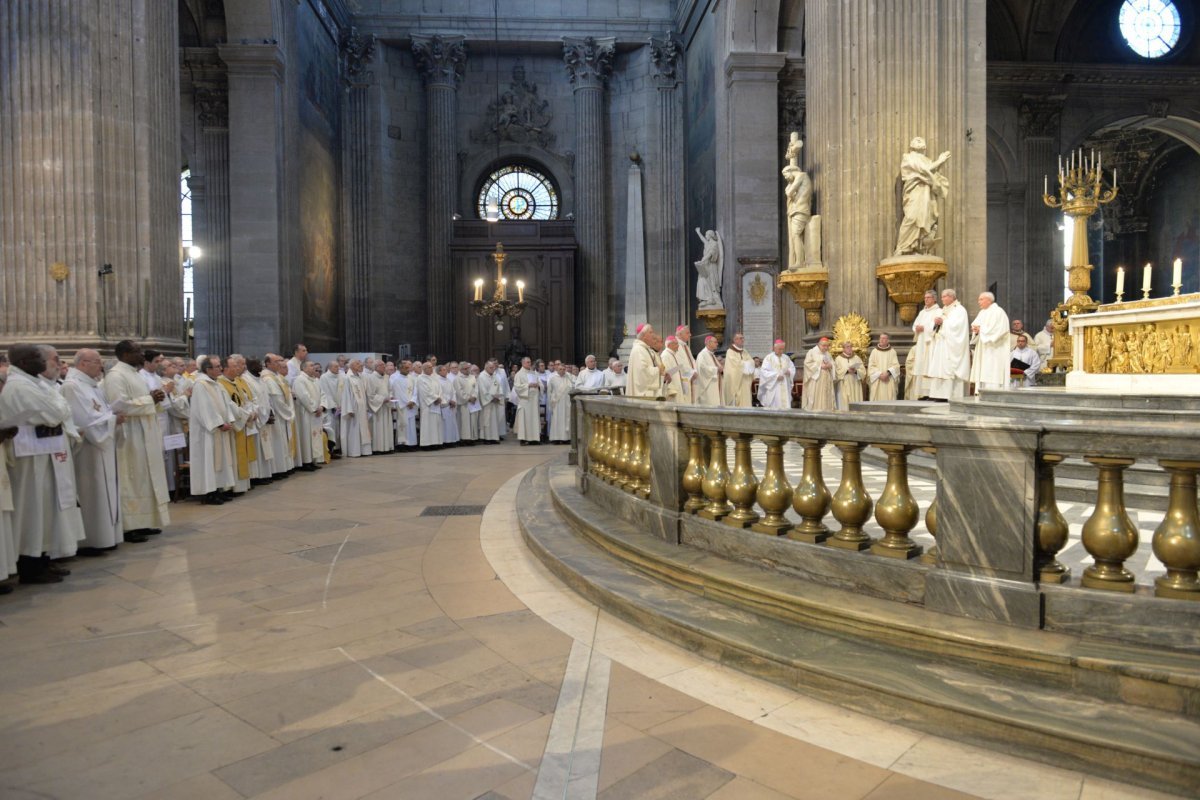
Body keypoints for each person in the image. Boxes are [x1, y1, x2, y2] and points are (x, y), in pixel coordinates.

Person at [2, 345, 83, 582]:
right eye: (38, 357)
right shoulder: (20, 385)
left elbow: (61, 409)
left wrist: (60, 410)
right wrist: (60, 410)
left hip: (44, 453)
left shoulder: (35, 382)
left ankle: (42, 557)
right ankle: (30, 564)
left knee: (46, 508)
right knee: (33, 510)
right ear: (24, 361)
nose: (44, 361)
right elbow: (54, 412)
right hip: (30, 460)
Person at [103, 340, 170, 541]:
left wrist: (154, 398)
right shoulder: (116, 376)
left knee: (145, 478)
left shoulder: (133, 374)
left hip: (144, 433)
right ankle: (131, 526)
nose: (141, 354)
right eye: (136, 351)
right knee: (132, 478)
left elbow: (144, 401)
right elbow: (119, 406)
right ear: (124, 354)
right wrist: (151, 400)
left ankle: (144, 522)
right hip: (130, 436)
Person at [61, 350, 123, 554]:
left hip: (102, 445)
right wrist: (113, 420)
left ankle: (106, 536)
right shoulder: (72, 386)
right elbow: (83, 421)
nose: (101, 366)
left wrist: (112, 418)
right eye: (97, 362)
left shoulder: (91, 384)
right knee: (92, 492)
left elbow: (100, 413)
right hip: (88, 449)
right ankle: (91, 540)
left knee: (103, 490)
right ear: (83, 363)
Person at [189, 355, 236, 505]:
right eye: (217, 367)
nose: (220, 369)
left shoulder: (217, 384)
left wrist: (229, 419)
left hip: (220, 429)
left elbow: (226, 404)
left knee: (220, 460)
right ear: (208, 369)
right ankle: (209, 493)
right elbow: (204, 409)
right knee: (209, 462)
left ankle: (219, 489)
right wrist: (219, 424)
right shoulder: (201, 385)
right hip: (208, 432)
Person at [893, 137, 951, 256]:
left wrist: (939, 164)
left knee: (925, 219)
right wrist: (940, 160)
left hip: (926, 194)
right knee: (912, 217)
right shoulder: (908, 157)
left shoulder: (927, 160)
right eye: (917, 140)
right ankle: (902, 247)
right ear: (911, 144)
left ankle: (919, 247)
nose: (920, 141)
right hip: (914, 191)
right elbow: (923, 171)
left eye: (922, 140)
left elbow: (932, 173)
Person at [217, 355, 257, 495]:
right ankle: (233, 487)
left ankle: (242, 485)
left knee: (241, 454)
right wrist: (246, 415)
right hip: (233, 425)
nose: (238, 368)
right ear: (226, 368)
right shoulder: (221, 384)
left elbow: (246, 400)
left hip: (242, 422)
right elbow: (230, 405)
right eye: (234, 366)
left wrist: (251, 412)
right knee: (232, 457)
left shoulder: (236, 382)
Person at [924, 288, 970, 401]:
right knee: (938, 368)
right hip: (940, 344)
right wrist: (935, 323)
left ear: (952, 297)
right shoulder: (942, 310)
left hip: (951, 345)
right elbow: (933, 326)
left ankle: (948, 395)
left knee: (948, 369)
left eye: (945, 296)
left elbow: (957, 327)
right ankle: (937, 394)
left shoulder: (959, 310)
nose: (942, 299)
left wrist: (943, 322)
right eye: (942, 296)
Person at [970, 291, 1011, 392]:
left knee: (993, 369)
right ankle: (981, 392)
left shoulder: (998, 312)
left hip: (995, 348)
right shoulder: (982, 312)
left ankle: (994, 393)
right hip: (983, 347)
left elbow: (1000, 330)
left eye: (981, 299)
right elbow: (976, 325)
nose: (978, 302)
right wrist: (975, 330)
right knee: (983, 369)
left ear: (989, 300)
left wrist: (981, 330)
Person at [294, 360, 327, 468]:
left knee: (315, 436)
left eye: (314, 365)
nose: (314, 368)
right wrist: (314, 408)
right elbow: (304, 396)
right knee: (307, 436)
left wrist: (322, 406)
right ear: (303, 368)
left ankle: (313, 460)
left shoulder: (316, 380)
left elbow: (323, 394)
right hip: (306, 414)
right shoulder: (300, 380)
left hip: (316, 414)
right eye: (311, 366)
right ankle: (306, 461)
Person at [911, 289, 940, 400]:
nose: (926, 299)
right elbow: (915, 325)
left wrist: (924, 328)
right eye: (925, 298)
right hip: (921, 343)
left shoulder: (938, 311)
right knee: (921, 366)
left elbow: (936, 327)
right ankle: (923, 393)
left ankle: (931, 393)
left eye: (928, 297)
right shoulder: (922, 312)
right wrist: (917, 328)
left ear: (934, 299)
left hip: (930, 343)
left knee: (929, 366)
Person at [338, 358, 371, 457]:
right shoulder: (347, 378)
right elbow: (345, 395)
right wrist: (349, 409)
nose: (360, 365)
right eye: (357, 363)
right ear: (351, 366)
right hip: (353, 408)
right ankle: (354, 451)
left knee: (363, 429)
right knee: (354, 430)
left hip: (361, 408)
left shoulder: (360, 377)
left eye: (360, 363)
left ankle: (364, 451)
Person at [627, 324, 665, 399]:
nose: (653, 335)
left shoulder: (644, 349)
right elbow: (642, 373)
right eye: (650, 332)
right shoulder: (638, 350)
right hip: (643, 394)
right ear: (644, 336)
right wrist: (658, 370)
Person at [756, 340, 795, 409]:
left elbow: (792, 368)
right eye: (779, 349)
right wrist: (776, 376)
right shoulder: (768, 358)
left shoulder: (786, 358)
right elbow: (764, 372)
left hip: (785, 385)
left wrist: (789, 372)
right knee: (774, 406)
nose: (781, 351)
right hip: (774, 386)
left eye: (783, 349)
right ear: (774, 348)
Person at [366, 361, 394, 454]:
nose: (384, 367)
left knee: (387, 427)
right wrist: (382, 399)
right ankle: (378, 449)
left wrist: (390, 397)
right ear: (376, 367)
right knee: (378, 428)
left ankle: (387, 447)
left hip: (386, 406)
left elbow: (390, 390)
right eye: (382, 366)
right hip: (377, 408)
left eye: (384, 365)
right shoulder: (371, 378)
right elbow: (370, 395)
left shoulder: (386, 377)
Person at [416, 362, 445, 449]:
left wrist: (439, 398)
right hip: (427, 405)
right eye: (429, 367)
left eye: (431, 367)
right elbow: (425, 392)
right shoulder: (420, 378)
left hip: (436, 405)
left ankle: (436, 443)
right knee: (428, 424)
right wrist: (435, 398)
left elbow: (440, 389)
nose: (431, 369)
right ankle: (427, 444)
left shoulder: (434, 378)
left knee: (436, 424)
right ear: (424, 369)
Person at [390, 360, 418, 450]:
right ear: (400, 368)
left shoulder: (412, 378)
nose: (408, 369)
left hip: (411, 405)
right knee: (403, 425)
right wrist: (408, 403)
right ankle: (403, 445)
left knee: (411, 426)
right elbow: (398, 394)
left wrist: (413, 401)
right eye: (406, 368)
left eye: (408, 367)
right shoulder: (396, 380)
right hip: (403, 407)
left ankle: (412, 444)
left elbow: (415, 391)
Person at [513, 357, 542, 445]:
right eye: (528, 362)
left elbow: (541, 384)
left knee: (534, 419)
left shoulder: (534, 373)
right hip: (525, 400)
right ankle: (523, 439)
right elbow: (517, 387)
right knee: (524, 420)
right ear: (523, 363)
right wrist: (528, 385)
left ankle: (534, 439)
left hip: (534, 400)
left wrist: (538, 385)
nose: (529, 364)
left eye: (530, 362)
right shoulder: (519, 374)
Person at [802, 338, 836, 411]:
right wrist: (820, 366)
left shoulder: (828, 354)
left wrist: (831, 365)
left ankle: (828, 411)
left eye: (827, 346)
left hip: (827, 379)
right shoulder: (812, 352)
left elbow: (833, 363)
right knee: (817, 398)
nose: (826, 348)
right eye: (824, 346)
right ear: (818, 344)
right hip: (817, 380)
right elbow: (807, 364)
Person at [722, 332, 754, 407]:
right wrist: (746, 364)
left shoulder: (744, 351)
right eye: (740, 338)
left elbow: (751, 361)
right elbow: (734, 366)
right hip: (736, 381)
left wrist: (747, 364)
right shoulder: (730, 352)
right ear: (735, 340)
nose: (743, 340)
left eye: (743, 338)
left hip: (745, 380)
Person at [867, 334, 900, 401]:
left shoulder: (892, 351)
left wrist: (888, 373)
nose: (882, 340)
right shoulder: (874, 352)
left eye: (884, 338)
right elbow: (871, 366)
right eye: (881, 338)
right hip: (877, 380)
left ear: (888, 340)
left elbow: (896, 366)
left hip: (889, 379)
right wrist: (879, 374)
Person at [477, 361, 504, 443]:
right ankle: (486, 438)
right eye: (491, 368)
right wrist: (491, 398)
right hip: (487, 404)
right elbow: (482, 391)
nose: (493, 369)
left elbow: (499, 387)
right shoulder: (481, 377)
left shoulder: (495, 376)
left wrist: (499, 397)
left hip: (494, 402)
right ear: (486, 367)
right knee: (486, 420)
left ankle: (493, 437)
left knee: (494, 421)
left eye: (494, 368)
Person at [319, 360, 342, 456]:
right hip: (330, 408)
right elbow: (326, 393)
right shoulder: (324, 377)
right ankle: (330, 450)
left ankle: (337, 448)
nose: (338, 368)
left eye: (338, 366)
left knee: (338, 428)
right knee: (331, 428)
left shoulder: (341, 376)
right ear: (330, 368)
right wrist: (333, 406)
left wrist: (341, 405)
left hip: (339, 407)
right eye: (336, 366)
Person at [834, 341, 865, 411]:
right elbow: (836, 372)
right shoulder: (838, 359)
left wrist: (856, 371)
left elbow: (863, 371)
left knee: (855, 402)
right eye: (847, 347)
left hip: (855, 384)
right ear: (843, 349)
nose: (850, 348)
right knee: (845, 403)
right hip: (843, 384)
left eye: (851, 347)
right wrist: (847, 371)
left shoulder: (857, 358)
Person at [547, 363, 573, 444]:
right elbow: (549, 391)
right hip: (557, 403)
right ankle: (556, 438)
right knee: (557, 420)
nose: (562, 371)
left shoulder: (569, 378)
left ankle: (566, 438)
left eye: (563, 369)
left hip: (566, 402)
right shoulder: (553, 379)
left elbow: (573, 388)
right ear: (557, 370)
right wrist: (551, 401)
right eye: (560, 369)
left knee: (566, 419)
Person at [694, 336, 721, 406]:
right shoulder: (702, 354)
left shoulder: (711, 354)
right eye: (715, 342)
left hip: (714, 385)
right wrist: (716, 369)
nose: (717, 344)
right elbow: (702, 368)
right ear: (709, 342)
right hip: (708, 387)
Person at [660, 336, 688, 403]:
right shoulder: (665, 355)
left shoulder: (673, 354)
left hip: (678, 387)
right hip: (672, 391)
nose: (678, 346)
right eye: (675, 344)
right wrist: (670, 389)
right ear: (669, 345)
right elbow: (666, 373)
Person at [455, 363, 479, 444]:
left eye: (468, 368)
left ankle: (473, 438)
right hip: (464, 404)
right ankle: (465, 438)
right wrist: (468, 398)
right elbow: (459, 391)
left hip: (473, 403)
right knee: (465, 422)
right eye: (465, 369)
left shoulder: (473, 377)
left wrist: (475, 396)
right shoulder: (458, 379)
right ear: (461, 370)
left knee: (473, 421)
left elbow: (476, 388)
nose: (467, 370)